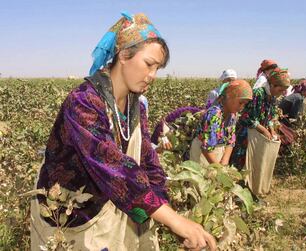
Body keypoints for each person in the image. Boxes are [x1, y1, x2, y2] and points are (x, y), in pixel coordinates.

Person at [30, 11, 216, 251]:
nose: (152, 76)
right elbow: (114, 167)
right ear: (124, 55)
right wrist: (174, 220)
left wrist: (170, 214)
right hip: (72, 217)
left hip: (109, 206)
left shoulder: (134, 106)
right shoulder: (84, 102)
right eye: (149, 64)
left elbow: (148, 163)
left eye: (158, 68)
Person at [230, 68, 290, 169]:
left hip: (259, 135)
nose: (281, 93)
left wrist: (271, 130)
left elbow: (270, 117)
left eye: (283, 91)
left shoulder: (273, 97)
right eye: (280, 90)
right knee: (240, 163)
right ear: (272, 85)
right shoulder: (258, 94)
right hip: (246, 134)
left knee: (254, 163)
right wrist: (263, 129)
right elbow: (245, 116)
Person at [190, 80, 253, 166]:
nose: (242, 107)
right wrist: (219, 169)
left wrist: (224, 161)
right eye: (240, 103)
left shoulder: (233, 114)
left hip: (217, 151)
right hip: (203, 154)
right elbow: (206, 149)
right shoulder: (213, 114)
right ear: (229, 97)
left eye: (244, 104)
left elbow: (231, 140)